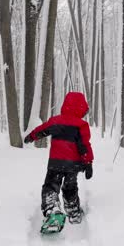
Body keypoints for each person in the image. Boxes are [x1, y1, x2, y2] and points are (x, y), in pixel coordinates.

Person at [24, 92, 94, 230]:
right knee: (70, 188)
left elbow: (42, 130)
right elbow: (85, 146)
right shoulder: (81, 125)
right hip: (73, 166)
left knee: (51, 186)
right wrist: (88, 163)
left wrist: (31, 136)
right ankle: (73, 213)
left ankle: (52, 211)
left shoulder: (56, 121)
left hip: (56, 163)